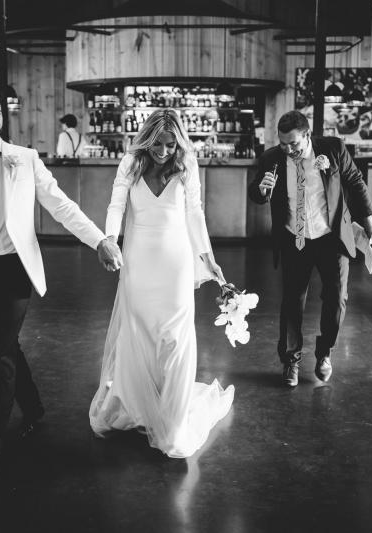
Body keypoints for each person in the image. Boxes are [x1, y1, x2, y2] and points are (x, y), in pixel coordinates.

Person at [0, 85, 122, 478]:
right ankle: (32, 408)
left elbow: (61, 205)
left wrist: (99, 239)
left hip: (16, 270)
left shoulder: (26, 159)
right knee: (5, 345)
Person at [89, 109, 234, 459]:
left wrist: (206, 256)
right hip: (137, 260)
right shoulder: (130, 163)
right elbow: (116, 205)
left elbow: (195, 213)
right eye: (157, 144)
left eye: (171, 145)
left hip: (176, 262)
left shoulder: (188, 164)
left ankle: (171, 417)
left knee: (175, 338)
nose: (164, 151)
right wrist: (109, 239)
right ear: (146, 138)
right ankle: (139, 407)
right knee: (138, 333)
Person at [248, 110, 372, 387]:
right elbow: (256, 193)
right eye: (283, 143)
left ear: (307, 135)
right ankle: (291, 360)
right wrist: (261, 190)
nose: (288, 149)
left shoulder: (333, 149)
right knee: (293, 300)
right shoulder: (272, 158)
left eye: (293, 144)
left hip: (331, 236)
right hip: (295, 238)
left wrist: (369, 219)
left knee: (337, 297)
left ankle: (325, 353)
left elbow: (355, 181)